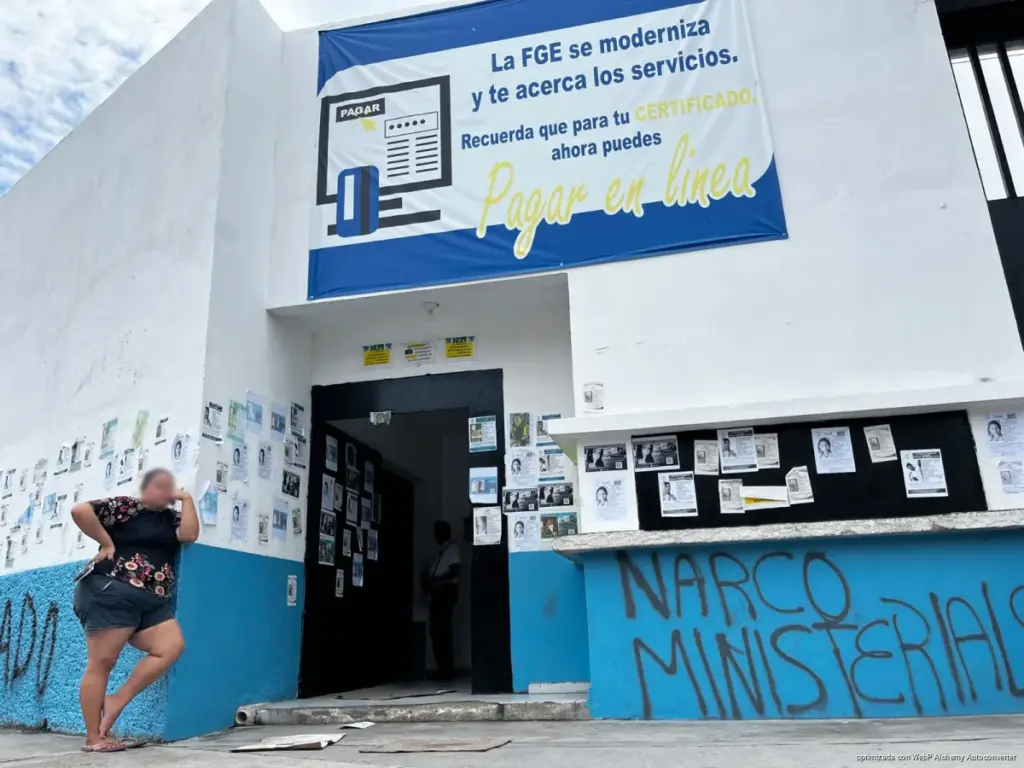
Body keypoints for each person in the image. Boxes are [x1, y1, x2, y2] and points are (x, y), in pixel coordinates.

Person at [70, 469, 198, 752]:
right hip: (110, 589)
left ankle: (116, 700)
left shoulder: (171, 519)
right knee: (102, 662)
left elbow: (190, 534)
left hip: (151, 599)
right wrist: (106, 542)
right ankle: (94, 738)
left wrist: (186, 498)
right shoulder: (127, 507)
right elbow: (80, 511)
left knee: (170, 646)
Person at [421, 521, 460, 681]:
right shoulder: (442, 551)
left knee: (441, 630)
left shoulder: (452, 548)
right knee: (437, 630)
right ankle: (442, 667)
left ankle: (446, 668)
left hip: (445, 591)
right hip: (439, 592)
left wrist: (435, 580)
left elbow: (455, 571)